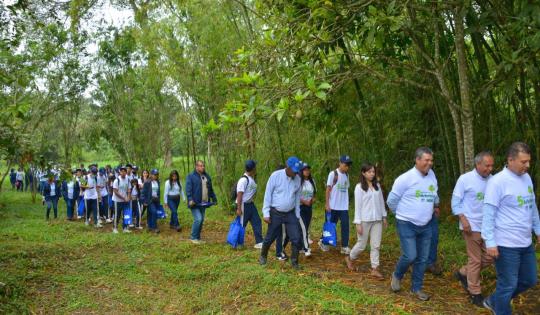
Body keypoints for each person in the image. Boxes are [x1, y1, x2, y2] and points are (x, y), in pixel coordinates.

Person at [482, 142, 540, 315]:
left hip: (525, 242)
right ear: (511, 160)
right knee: (507, 285)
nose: (528, 165)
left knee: (529, 279)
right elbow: (488, 213)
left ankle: (494, 300)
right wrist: (490, 242)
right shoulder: (497, 182)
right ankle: (500, 307)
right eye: (524, 162)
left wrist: (538, 230)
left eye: (529, 161)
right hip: (506, 244)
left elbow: (532, 207)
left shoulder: (527, 178)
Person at [387, 147, 439, 301]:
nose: (430, 163)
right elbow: (391, 201)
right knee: (410, 255)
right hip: (406, 223)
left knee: (422, 259)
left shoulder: (432, 176)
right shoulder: (405, 179)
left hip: (426, 224)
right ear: (417, 160)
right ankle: (397, 275)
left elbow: (434, 193)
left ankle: (416, 288)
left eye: (431, 160)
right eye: (426, 160)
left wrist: (436, 205)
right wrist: (400, 215)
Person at [451, 151, 495, 307]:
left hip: (489, 226)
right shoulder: (465, 179)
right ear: (478, 164)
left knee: (492, 256)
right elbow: (455, 203)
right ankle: (475, 293)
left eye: (491, 165)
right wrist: (464, 220)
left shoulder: (494, 181)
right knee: (475, 260)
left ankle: (464, 272)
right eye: (486, 165)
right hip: (472, 226)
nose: (490, 168)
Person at [258, 156, 303, 269]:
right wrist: (266, 213)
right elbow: (268, 194)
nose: (295, 173)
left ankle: (294, 261)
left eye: (297, 171)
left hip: (290, 213)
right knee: (270, 236)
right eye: (294, 170)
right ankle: (263, 255)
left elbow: (297, 198)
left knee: (296, 237)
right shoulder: (275, 176)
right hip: (276, 212)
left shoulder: (297, 179)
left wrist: (297, 215)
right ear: (287, 167)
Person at [345, 163, 387, 279]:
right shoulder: (359, 187)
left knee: (376, 245)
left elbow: (381, 202)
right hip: (364, 220)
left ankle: (375, 268)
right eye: (369, 172)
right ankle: (350, 258)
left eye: (373, 171)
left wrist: (384, 216)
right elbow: (357, 206)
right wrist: (358, 223)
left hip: (377, 219)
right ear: (363, 173)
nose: (372, 174)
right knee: (362, 244)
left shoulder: (377, 185)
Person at [319, 155, 353, 254]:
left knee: (345, 226)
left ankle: (344, 246)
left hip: (343, 207)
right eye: (345, 164)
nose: (347, 167)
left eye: (348, 165)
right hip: (333, 206)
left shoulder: (347, 175)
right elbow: (328, 189)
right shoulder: (333, 174)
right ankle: (324, 243)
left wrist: (346, 204)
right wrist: (327, 204)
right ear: (340, 163)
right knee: (330, 226)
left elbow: (346, 189)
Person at [186, 161, 217, 244]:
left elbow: (210, 189)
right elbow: (188, 189)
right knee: (198, 219)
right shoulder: (191, 176)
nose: (202, 167)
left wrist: (214, 198)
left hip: (203, 203)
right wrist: (190, 199)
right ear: (196, 167)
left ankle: (197, 237)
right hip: (194, 203)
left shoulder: (206, 176)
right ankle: (193, 237)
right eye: (201, 166)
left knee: (201, 219)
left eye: (203, 166)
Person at [235, 160, 263, 249]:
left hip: (251, 204)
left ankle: (259, 242)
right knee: (242, 224)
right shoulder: (243, 180)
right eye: (255, 167)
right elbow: (239, 194)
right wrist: (239, 209)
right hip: (243, 205)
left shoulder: (251, 178)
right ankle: (239, 243)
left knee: (257, 221)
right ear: (253, 168)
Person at [112, 166, 131, 234]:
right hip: (117, 201)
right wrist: (124, 198)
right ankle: (115, 228)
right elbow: (115, 191)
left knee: (126, 214)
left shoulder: (128, 180)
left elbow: (129, 189)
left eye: (124, 171)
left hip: (125, 200)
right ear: (119, 172)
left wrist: (128, 197)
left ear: (126, 172)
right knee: (117, 214)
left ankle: (125, 228)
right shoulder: (117, 180)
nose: (123, 172)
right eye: (121, 171)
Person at [143, 169, 161, 234]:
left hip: (156, 200)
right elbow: (143, 192)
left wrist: (158, 199)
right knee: (154, 212)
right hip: (149, 200)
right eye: (154, 174)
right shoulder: (147, 182)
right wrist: (144, 201)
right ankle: (154, 227)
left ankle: (149, 226)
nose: (155, 176)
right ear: (151, 175)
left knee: (150, 213)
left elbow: (158, 192)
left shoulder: (158, 182)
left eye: (156, 175)